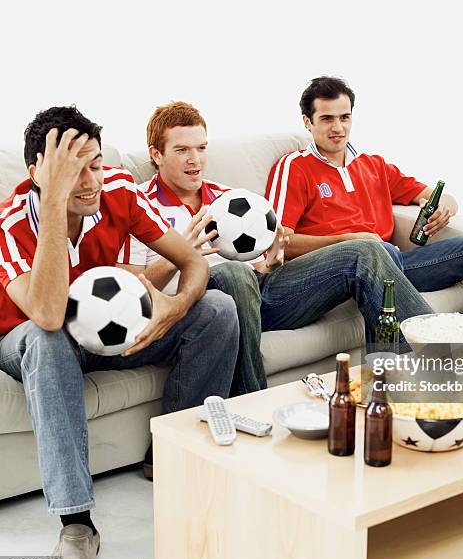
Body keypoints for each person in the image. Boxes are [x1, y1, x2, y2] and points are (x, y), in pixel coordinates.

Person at [0, 107, 239, 559]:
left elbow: (194, 264)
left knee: (217, 309)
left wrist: (173, 307)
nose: (92, 180)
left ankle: (172, 455)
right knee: (48, 339)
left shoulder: (116, 189)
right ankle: (76, 524)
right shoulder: (10, 224)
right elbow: (47, 314)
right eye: (74, 170)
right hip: (26, 338)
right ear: (38, 174)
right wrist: (51, 205)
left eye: (95, 163)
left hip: (102, 330)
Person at [124, 101, 435, 393]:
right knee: (233, 273)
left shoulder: (231, 198)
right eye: (181, 150)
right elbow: (134, 292)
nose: (195, 159)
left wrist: (273, 258)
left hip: (264, 294)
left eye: (201, 148)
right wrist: (181, 256)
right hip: (206, 307)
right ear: (157, 154)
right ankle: (252, 398)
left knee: (368, 252)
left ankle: (437, 372)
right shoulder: (138, 205)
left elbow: (263, 266)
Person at [266, 77, 463, 321]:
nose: (338, 127)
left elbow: (433, 194)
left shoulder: (373, 165)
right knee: (373, 251)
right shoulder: (294, 167)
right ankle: (433, 353)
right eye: (326, 119)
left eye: (345, 117)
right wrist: (347, 241)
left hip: (393, 262)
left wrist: (445, 205)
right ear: (307, 122)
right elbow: (277, 243)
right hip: (331, 273)